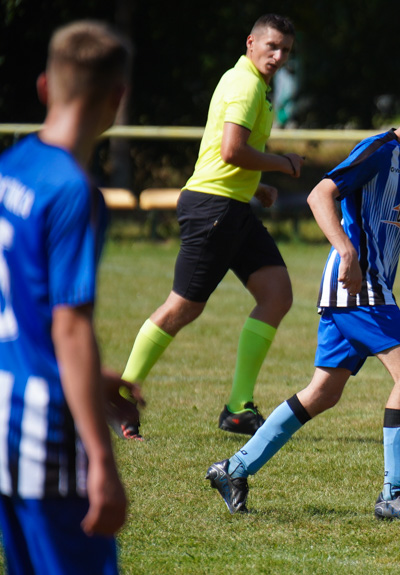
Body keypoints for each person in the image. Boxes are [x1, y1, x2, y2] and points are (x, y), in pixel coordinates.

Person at [206, 72, 400, 521]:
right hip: (360, 286)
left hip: (354, 289)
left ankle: (233, 468)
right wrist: (346, 251)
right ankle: (393, 495)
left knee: (322, 392)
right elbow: (321, 194)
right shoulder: (379, 151)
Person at [120, 14, 305, 439]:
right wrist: (283, 163)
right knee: (183, 307)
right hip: (213, 209)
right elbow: (231, 149)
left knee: (276, 293)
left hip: (233, 207)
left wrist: (257, 188)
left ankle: (238, 409)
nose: (278, 56)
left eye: (286, 51)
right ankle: (120, 395)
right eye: (272, 46)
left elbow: (227, 153)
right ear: (251, 43)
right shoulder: (244, 84)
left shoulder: (254, 84)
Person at [0, 20, 133, 574]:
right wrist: (101, 458)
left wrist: (82, 374)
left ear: (44, 87)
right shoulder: (73, 192)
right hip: (42, 430)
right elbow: (70, 326)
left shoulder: (10, 169)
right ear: (117, 98)